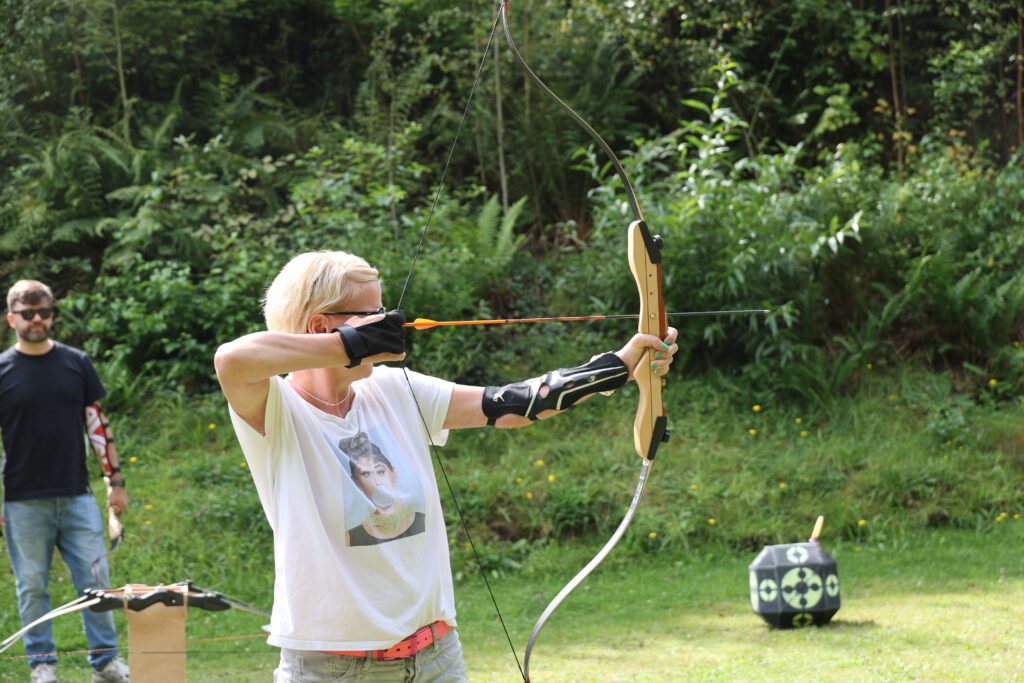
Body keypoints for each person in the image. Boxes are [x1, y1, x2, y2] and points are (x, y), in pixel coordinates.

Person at [214, 250, 678, 682]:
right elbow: (232, 359)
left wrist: (616, 367)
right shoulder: (276, 411)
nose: (389, 323)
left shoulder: (395, 389)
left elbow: (513, 404)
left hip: (436, 658)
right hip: (332, 668)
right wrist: (348, 345)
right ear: (321, 327)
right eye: (372, 316)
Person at [0, 280, 130, 683]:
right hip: (22, 500)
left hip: (77, 495)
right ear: (11, 318)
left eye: (44, 311)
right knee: (32, 588)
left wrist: (116, 481)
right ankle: (42, 664)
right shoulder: (2, 370)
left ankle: (105, 662)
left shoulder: (77, 362)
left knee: (96, 583)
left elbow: (96, 424)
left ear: (53, 314)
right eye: (27, 313)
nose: (37, 319)